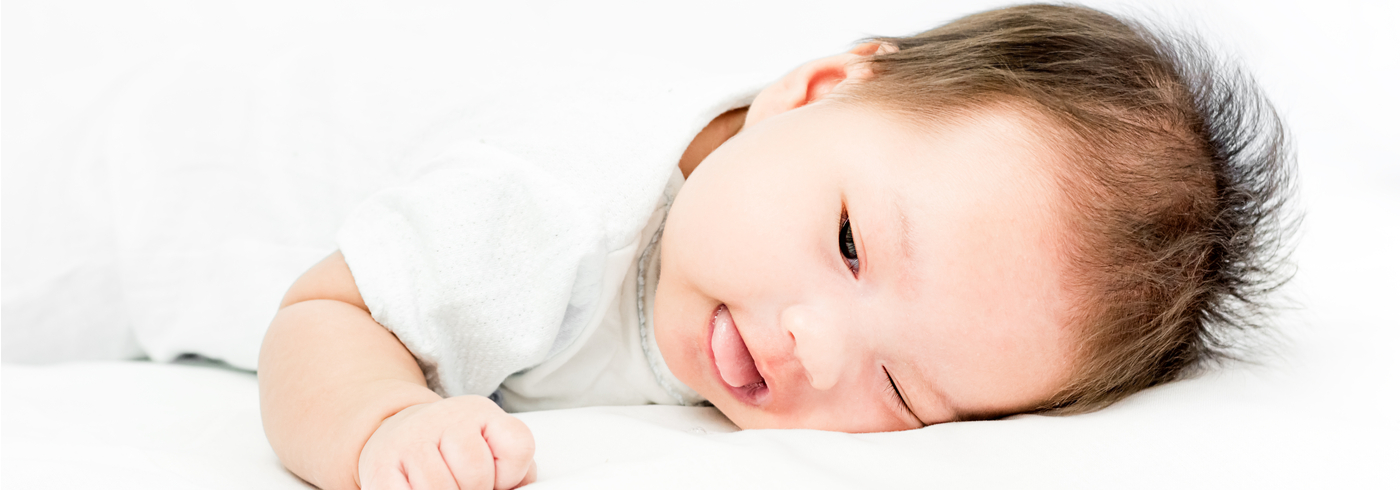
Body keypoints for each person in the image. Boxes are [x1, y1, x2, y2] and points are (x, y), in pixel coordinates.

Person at [258, 4, 1295, 489]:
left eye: (898, 387)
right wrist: (382, 420)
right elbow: (324, 313)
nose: (813, 343)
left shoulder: (755, 243)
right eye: (848, 244)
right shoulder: (547, 207)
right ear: (816, 91)